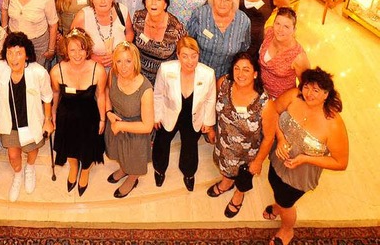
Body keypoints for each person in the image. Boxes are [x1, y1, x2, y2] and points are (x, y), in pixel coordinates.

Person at [265, 68, 349, 245]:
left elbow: (341, 162)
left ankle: (287, 230)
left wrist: (304, 158)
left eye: (316, 90)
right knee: (274, 182)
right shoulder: (294, 95)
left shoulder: (333, 124)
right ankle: (279, 205)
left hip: (300, 175)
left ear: (326, 94)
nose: (309, 93)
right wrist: (280, 139)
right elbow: (273, 110)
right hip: (278, 157)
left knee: (287, 202)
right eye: (307, 87)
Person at [208, 52, 277, 219]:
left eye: (246, 70)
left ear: (255, 74)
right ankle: (226, 182)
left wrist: (258, 161)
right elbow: (213, 105)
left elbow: (269, 137)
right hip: (223, 144)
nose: (240, 74)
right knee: (225, 168)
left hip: (247, 155)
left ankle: (238, 195)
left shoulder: (265, 104)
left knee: (243, 178)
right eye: (237, 68)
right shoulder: (224, 83)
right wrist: (211, 128)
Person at [0, 32, 54, 202]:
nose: (13, 58)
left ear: (27, 55)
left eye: (19, 53)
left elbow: (47, 97)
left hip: (30, 120)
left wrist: (47, 120)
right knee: (12, 155)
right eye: (10, 52)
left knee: (32, 149)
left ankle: (30, 168)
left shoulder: (38, 72)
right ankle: (18, 175)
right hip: (9, 120)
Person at [153, 36, 216, 191]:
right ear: (178, 55)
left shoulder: (208, 74)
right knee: (162, 142)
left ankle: (188, 173)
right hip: (169, 113)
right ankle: (159, 169)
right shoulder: (166, 69)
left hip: (193, 116)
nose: (190, 61)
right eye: (185, 56)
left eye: (194, 56)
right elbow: (158, 94)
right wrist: (156, 116)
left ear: (199, 55)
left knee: (190, 145)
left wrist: (208, 122)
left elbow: (210, 99)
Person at [50, 28, 107, 195]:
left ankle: (86, 170)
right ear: (66, 51)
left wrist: (102, 119)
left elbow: (101, 94)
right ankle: (74, 167)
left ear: (87, 49)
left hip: (89, 117)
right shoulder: (56, 71)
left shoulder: (98, 70)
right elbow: (55, 93)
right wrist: (52, 114)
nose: (77, 54)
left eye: (81, 49)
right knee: (69, 147)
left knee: (88, 147)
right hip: (66, 116)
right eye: (72, 49)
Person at [104, 42, 154, 198]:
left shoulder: (145, 89)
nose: (123, 66)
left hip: (135, 131)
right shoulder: (113, 74)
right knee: (119, 152)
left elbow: (148, 126)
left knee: (133, 159)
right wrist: (108, 112)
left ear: (135, 61)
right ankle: (124, 169)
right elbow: (107, 91)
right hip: (116, 123)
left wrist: (121, 125)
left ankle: (133, 178)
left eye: (128, 61)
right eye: (119, 61)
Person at [188, 0, 251, 78]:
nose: (222, 3)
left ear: (233, 1)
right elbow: (189, 42)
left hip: (226, 75)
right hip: (197, 71)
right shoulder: (200, 14)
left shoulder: (243, 21)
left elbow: (244, 48)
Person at [70, 0, 133, 70]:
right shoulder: (83, 16)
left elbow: (129, 33)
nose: (102, 1)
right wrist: (91, 57)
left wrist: (119, 53)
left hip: (120, 68)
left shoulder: (122, 11)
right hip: (91, 68)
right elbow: (72, 43)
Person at [131, 0, 186, 84]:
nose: (153, 3)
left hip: (165, 79)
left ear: (165, 4)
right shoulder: (138, 18)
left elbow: (182, 55)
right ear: (145, 2)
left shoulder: (176, 28)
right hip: (138, 75)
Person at [259, 7, 309, 99]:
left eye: (286, 26)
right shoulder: (268, 33)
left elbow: (306, 86)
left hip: (279, 99)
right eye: (277, 24)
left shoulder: (298, 56)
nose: (280, 29)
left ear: (294, 30)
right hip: (258, 90)